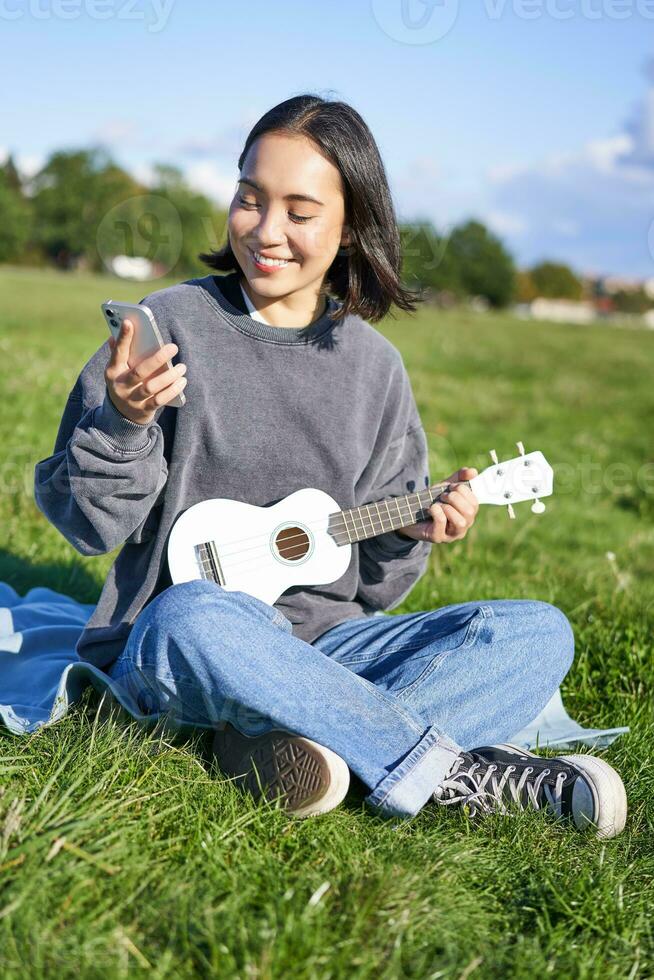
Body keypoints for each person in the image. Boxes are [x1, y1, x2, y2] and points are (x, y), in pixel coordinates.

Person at [34, 94, 627, 838]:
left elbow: (375, 588)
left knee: (539, 633)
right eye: (249, 199)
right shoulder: (168, 326)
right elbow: (86, 526)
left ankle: (292, 739)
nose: (265, 230)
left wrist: (411, 531)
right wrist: (123, 422)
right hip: (184, 641)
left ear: (350, 227)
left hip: (330, 647)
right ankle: (450, 773)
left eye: (299, 211)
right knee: (193, 616)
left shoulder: (374, 368)